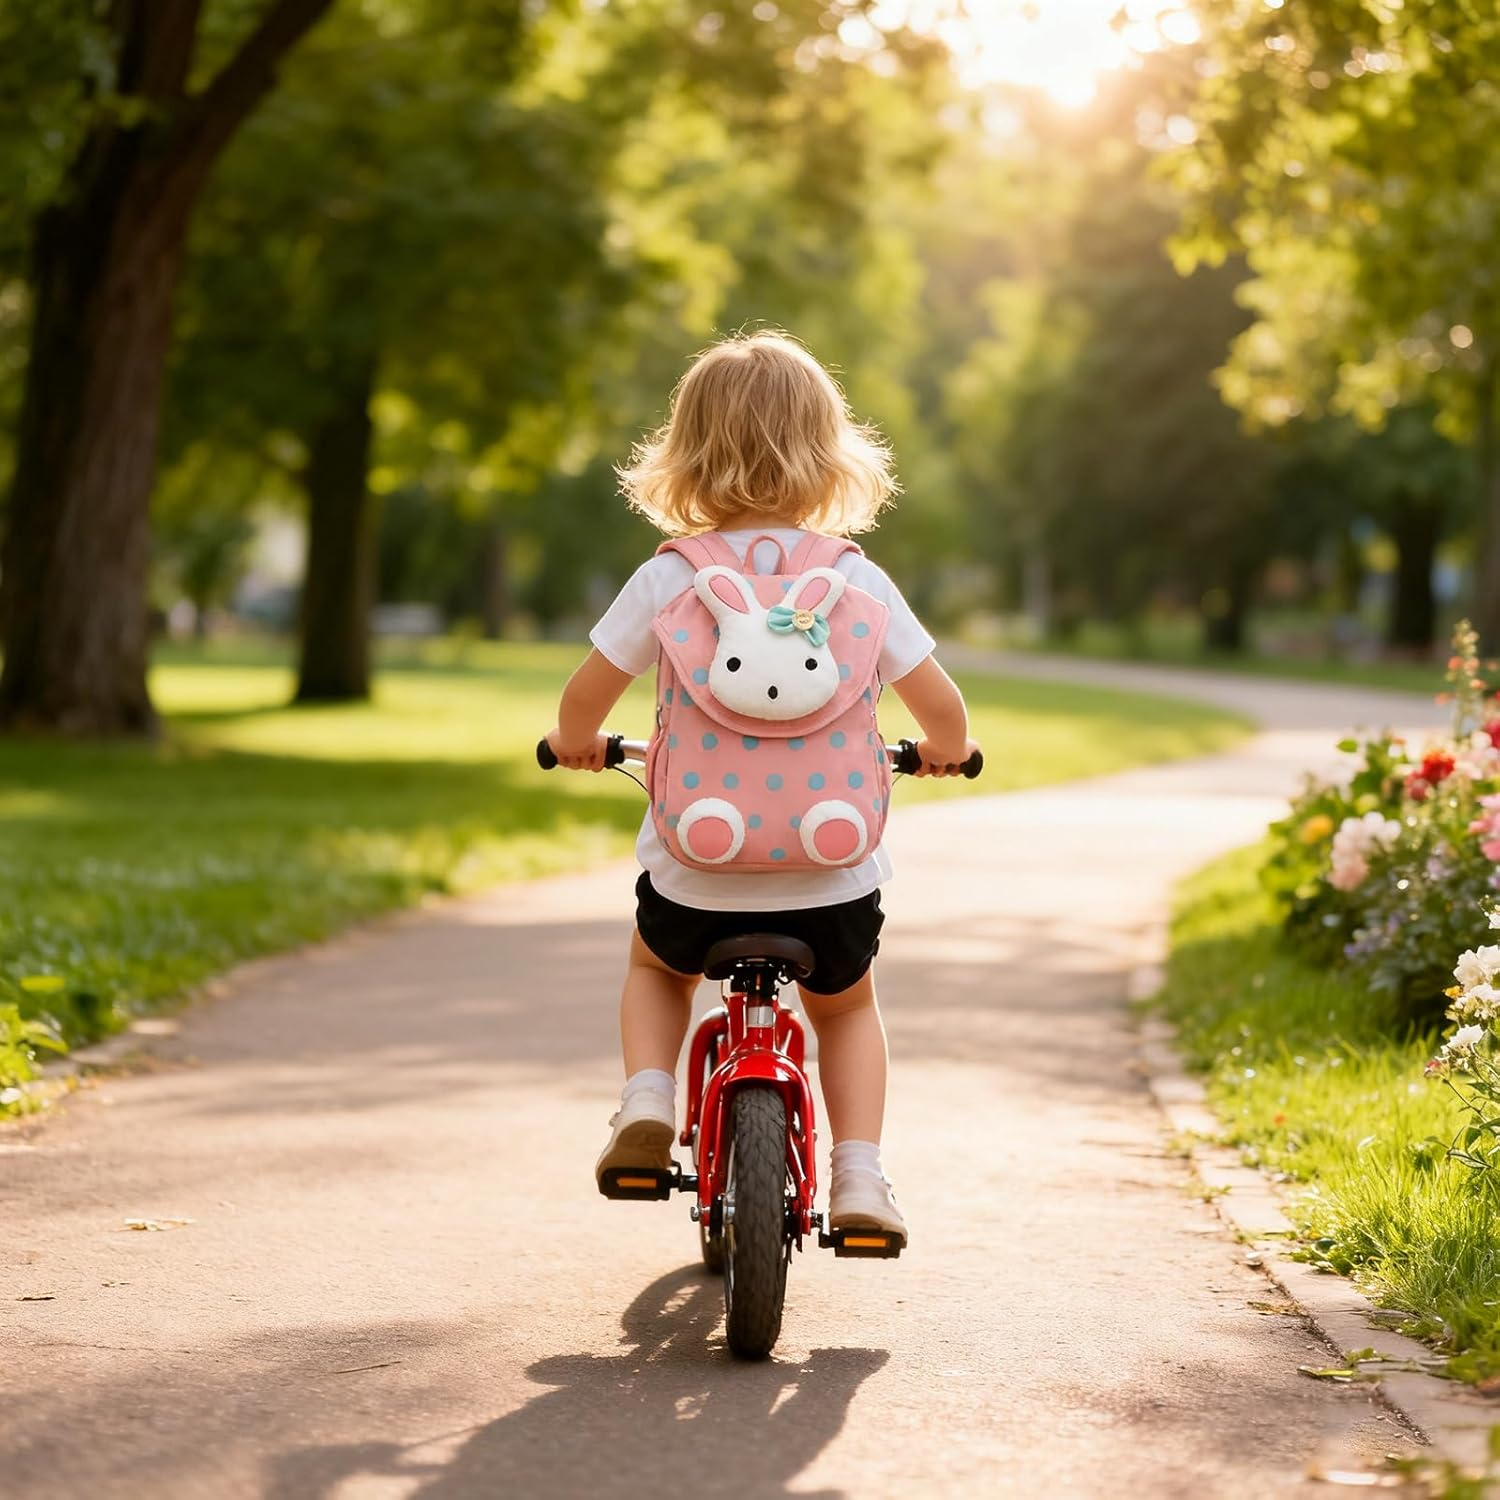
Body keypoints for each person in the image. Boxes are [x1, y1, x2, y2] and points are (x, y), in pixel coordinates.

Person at [545, 330, 979, 1245]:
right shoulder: (857, 581)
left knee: (655, 969)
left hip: (694, 881)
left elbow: (585, 697)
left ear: (687, 454)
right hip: (830, 884)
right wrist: (945, 750)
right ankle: (860, 1175)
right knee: (849, 1006)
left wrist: (577, 743)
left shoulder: (670, 576)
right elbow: (945, 713)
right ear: (831, 452)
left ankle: (645, 1100)